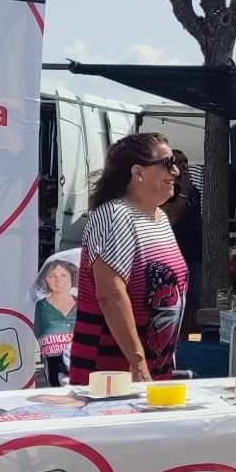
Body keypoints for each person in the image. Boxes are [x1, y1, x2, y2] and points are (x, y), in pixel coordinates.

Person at [71, 133, 189, 384]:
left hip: (151, 369)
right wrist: (138, 364)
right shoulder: (114, 216)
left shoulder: (159, 218)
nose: (176, 171)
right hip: (113, 372)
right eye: (167, 163)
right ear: (139, 172)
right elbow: (110, 295)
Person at [162, 151, 203, 312]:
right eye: (179, 162)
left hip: (193, 254)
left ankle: (190, 336)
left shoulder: (193, 190)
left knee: (192, 301)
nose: (184, 165)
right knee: (176, 302)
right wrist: (183, 193)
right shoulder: (166, 190)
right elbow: (171, 219)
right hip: (174, 255)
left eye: (185, 161)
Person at [32, 252, 79, 385]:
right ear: (45, 279)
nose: (58, 280)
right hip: (53, 362)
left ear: (71, 277)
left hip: (79, 360)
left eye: (63, 275)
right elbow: (36, 331)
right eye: (52, 276)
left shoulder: (82, 304)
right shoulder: (40, 306)